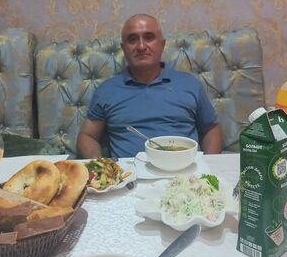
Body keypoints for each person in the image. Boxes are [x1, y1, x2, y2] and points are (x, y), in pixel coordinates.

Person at [77, 14, 223, 158]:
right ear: (124, 48)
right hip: (130, 172)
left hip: (185, 169)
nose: (141, 46)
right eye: (132, 39)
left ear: (162, 44)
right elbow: (87, 136)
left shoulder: (189, 84)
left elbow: (212, 128)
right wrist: (103, 167)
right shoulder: (107, 90)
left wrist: (210, 164)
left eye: (149, 37)